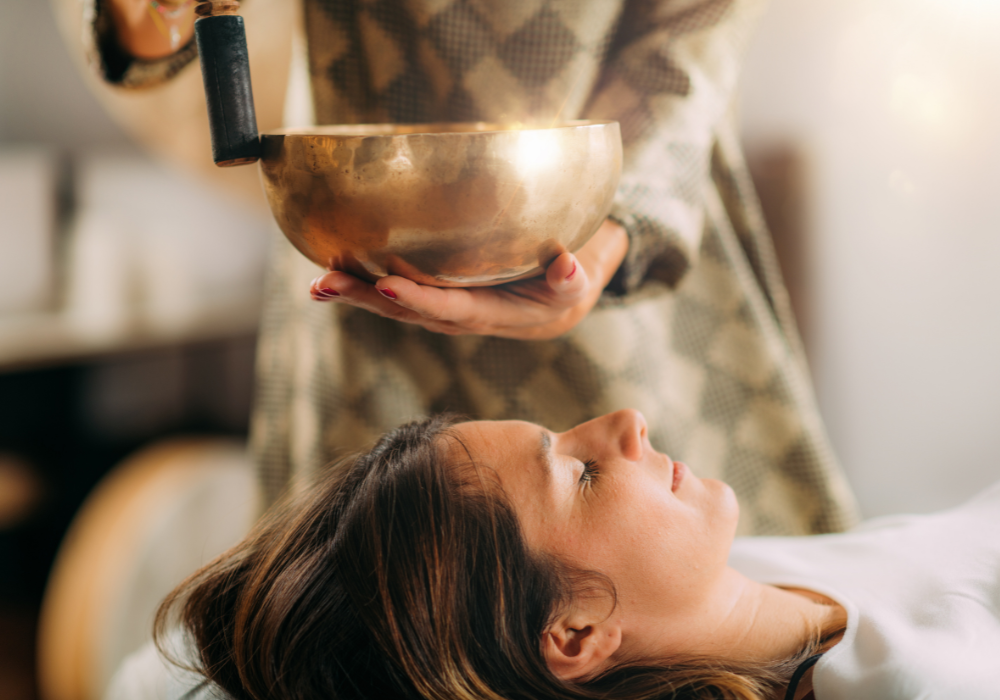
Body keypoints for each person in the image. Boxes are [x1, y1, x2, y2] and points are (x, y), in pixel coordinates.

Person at [84, 0, 859, 535]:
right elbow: (153, 38)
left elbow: (693, 33)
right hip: (354, 273)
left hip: (615, 256)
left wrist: (606, 239)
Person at [108, 409, 1000, 700]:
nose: (624, 423)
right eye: (579, 475)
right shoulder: (927, 676)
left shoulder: (718, 595)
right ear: (574, 634)